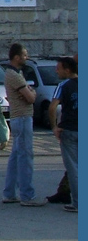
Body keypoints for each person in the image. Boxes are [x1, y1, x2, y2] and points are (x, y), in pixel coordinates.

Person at [1, 42, 43, 206]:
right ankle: (27, 195)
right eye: (25, 55)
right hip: (23, 117)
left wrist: (29, 91)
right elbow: (31, 98)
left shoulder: (15, 74)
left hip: (18, 117)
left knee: (16, 157)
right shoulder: (15, 75)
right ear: (17, 57)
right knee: (25, 157)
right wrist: (31, 91)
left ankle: (9, 193)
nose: (27, 58)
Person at [48, 56, 77, 213]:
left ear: (67, 70)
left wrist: (54, 126)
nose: (56, 71)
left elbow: (52, 108)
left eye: (58, 68)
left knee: (73, 168)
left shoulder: (64, 85)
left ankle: (78, 203)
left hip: (69, 130)